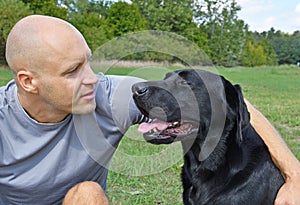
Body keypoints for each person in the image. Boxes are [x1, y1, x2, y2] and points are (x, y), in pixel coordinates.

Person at [0, 14, 299, 205]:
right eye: (73, 71)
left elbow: (227, 101)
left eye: (88, 61)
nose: (91, 77)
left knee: (87, 194)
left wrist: (295, 174)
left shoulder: (105, 96)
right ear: (29, 81)